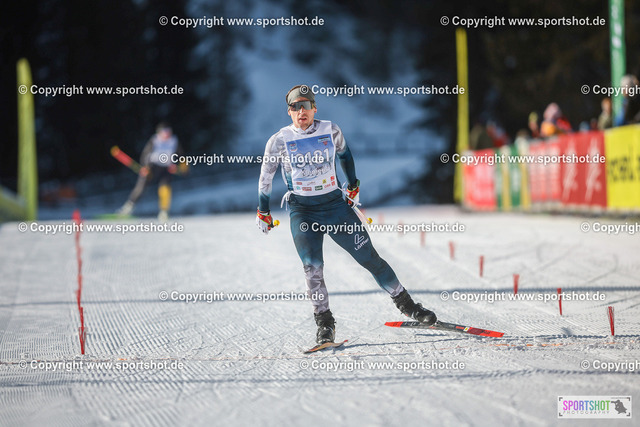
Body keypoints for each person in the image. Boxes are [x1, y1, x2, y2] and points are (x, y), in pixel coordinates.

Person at [256, 84, 436, 345]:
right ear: (289, 111)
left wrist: (353, 186)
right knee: (312, 269)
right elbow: (266, 176)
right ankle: (325, 325)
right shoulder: (279, 140)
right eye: (296, 107)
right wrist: (263, 210)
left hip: (335, 207)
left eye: (306, 106)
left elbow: (345, 155)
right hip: (303, 211)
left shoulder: (330, 129)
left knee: (370, 258)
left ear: (314, 109)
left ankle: (408, 306)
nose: (301, 111)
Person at [117, 122, 187, 221]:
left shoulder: (174, 141)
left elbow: (181, 156)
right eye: (165, 132)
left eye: (168, 131)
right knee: (141, 186)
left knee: (165, 189)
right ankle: (128, 207)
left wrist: (182, 167)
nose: (167, 134)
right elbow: (145, 154)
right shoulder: (155, 140)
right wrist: (145, 167)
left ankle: (164, 212)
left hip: (166, 168)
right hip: (153, 166)